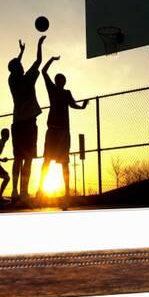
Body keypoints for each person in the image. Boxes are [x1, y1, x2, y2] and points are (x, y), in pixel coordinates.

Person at [37, 56, 88, 200]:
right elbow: (43, 71)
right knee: (47, 160)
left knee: (64, 162)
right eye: (57, 79)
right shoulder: (51, 89)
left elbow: (73, 105)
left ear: (64, 82)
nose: (59, 81)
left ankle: (66, 193)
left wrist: (82, 107)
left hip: (63, 131)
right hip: (52, 130)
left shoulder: (67, 93)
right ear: (55, 81)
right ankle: (40, 190)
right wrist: (52, 59)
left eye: (61, 79)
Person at [8, 35, 46, 201]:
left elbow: (14, 65)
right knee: (27, 158)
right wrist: (39, 44)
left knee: (19, 158)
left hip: (18, 123)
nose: (22, 64)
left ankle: (16, 191)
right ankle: (22, 191)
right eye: (20, 64)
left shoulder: (11, 79)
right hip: (29, 123)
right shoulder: (28, 78)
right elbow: (38, 61)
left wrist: (21, 52)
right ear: (18, 68)